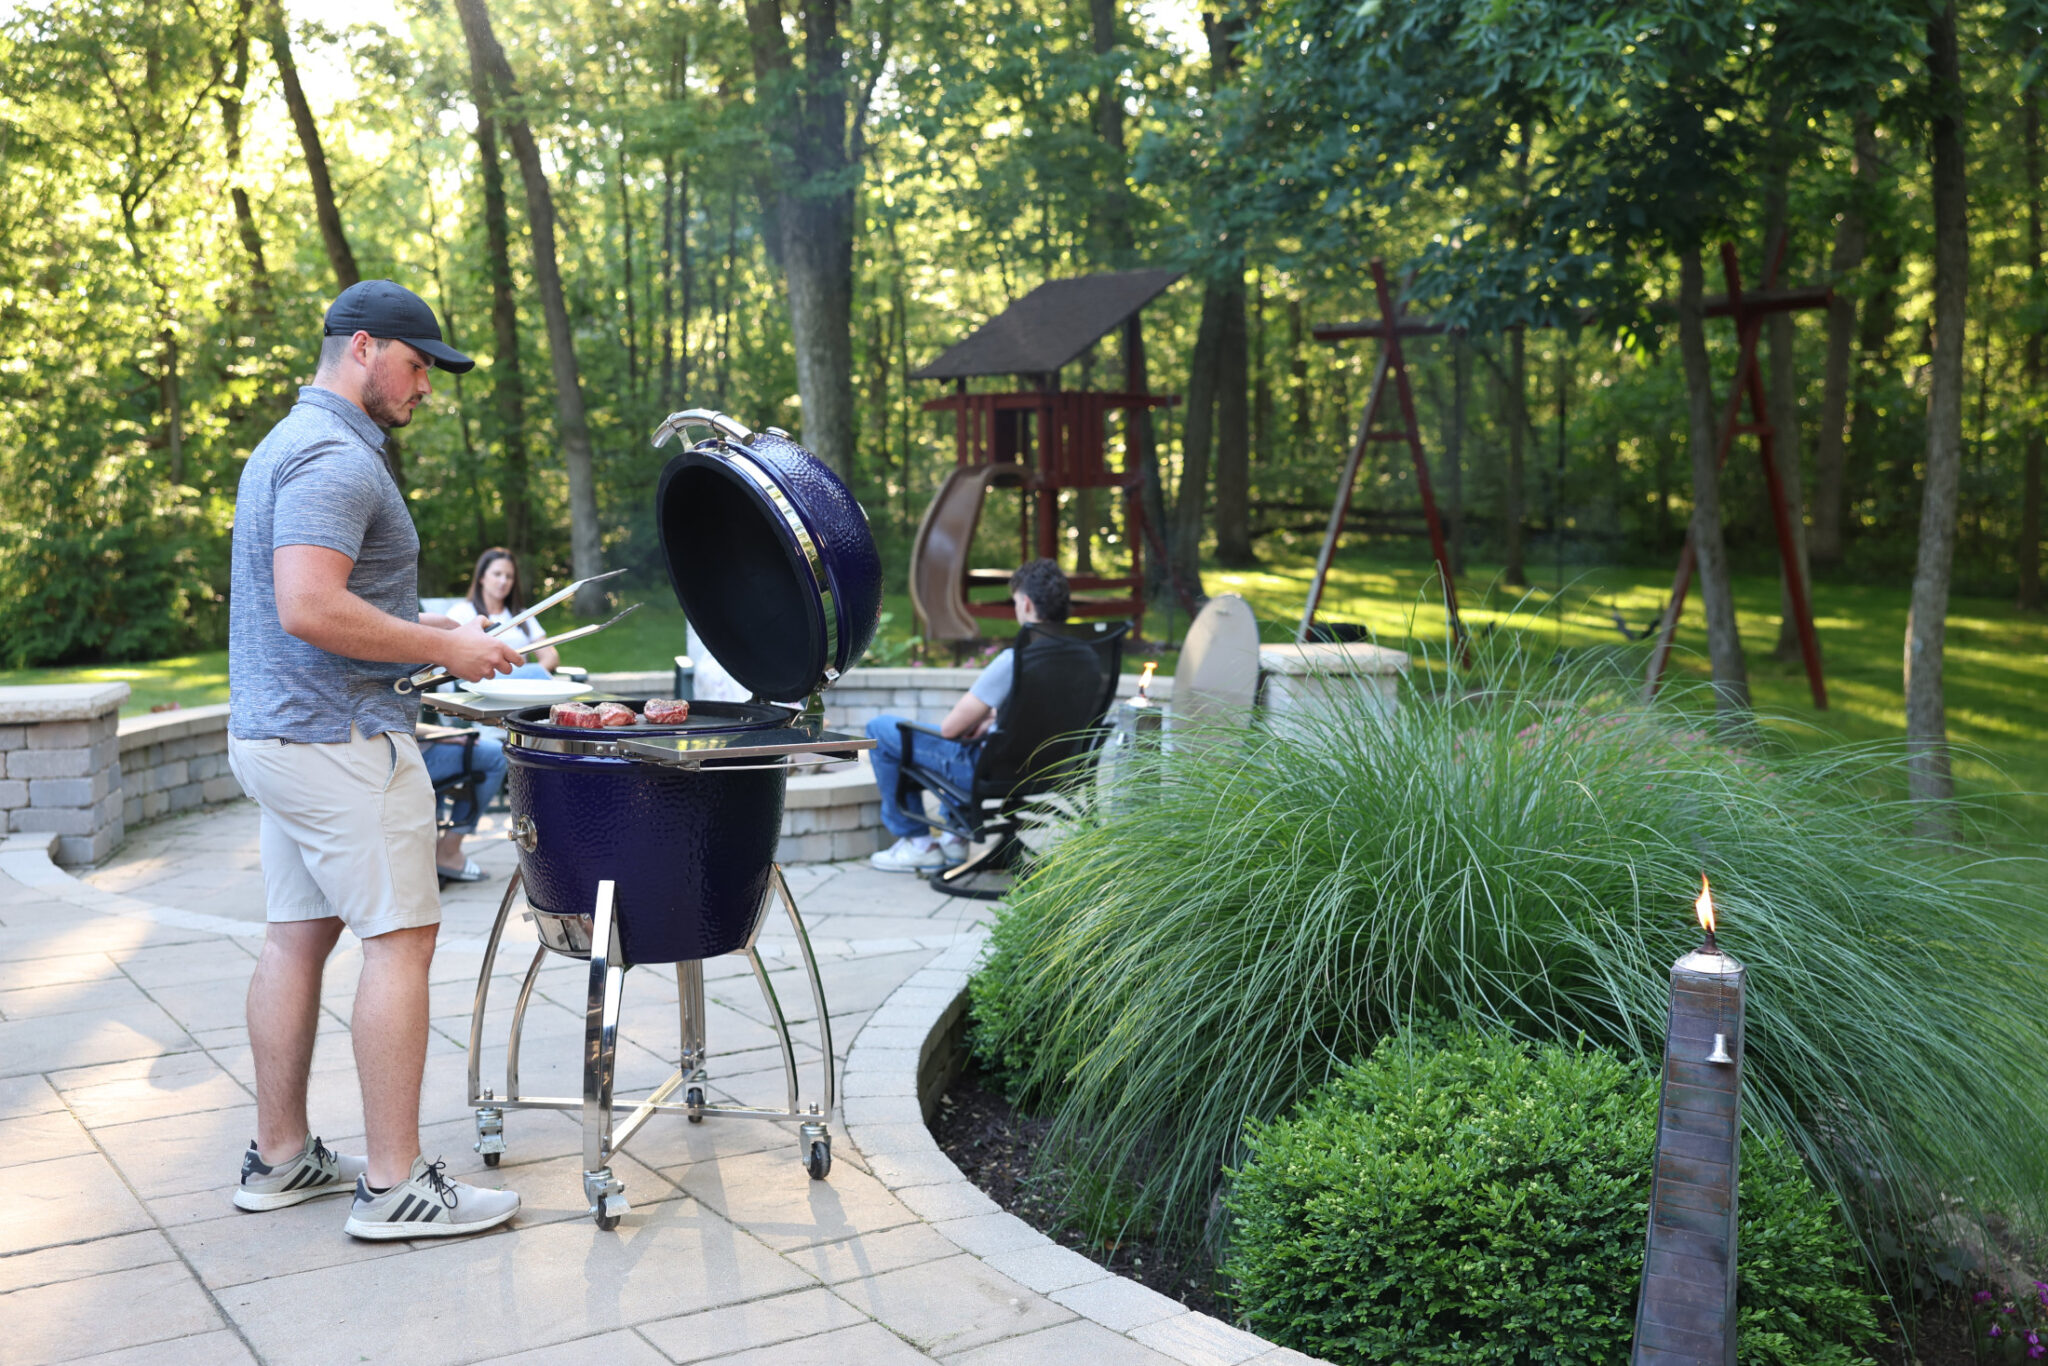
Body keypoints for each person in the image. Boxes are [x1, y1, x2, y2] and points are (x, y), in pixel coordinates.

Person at [224, 279, 525, 1241]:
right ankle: (396, 1186)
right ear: (363, 347)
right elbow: (308, 605)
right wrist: (445, 648)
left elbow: (325, 595)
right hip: (341, 741)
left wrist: (428, 627)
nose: (427, 385)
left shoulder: (288, 441)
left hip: (277, 736)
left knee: (295, 937)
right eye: (418, 363)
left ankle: (279, 1157)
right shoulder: (336, 456)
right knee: (402, 940)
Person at [865, 559, 1070, 873]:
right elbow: (1042, 716)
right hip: (1049, 771)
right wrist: (992, 722)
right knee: (973, 734)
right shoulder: (1086, 658)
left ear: (1027, 604)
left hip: (988, 771)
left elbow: (950, 729)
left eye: (1016, 602)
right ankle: (954, 839)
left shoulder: (1015, 661)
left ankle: (919, 843)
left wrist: (981, 720)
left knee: (880, 729)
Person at [419, 549, 549, 882]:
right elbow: (452, 671)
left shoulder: (519, 614)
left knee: (538, 680)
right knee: (499, 751)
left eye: (509, 576)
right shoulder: (463, 614)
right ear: (481, 578)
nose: (504, 581)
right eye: (497, 574)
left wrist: (516, 672)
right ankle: (447, 850)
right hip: (477, 698)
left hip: (516, 700)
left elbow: (551, 656)